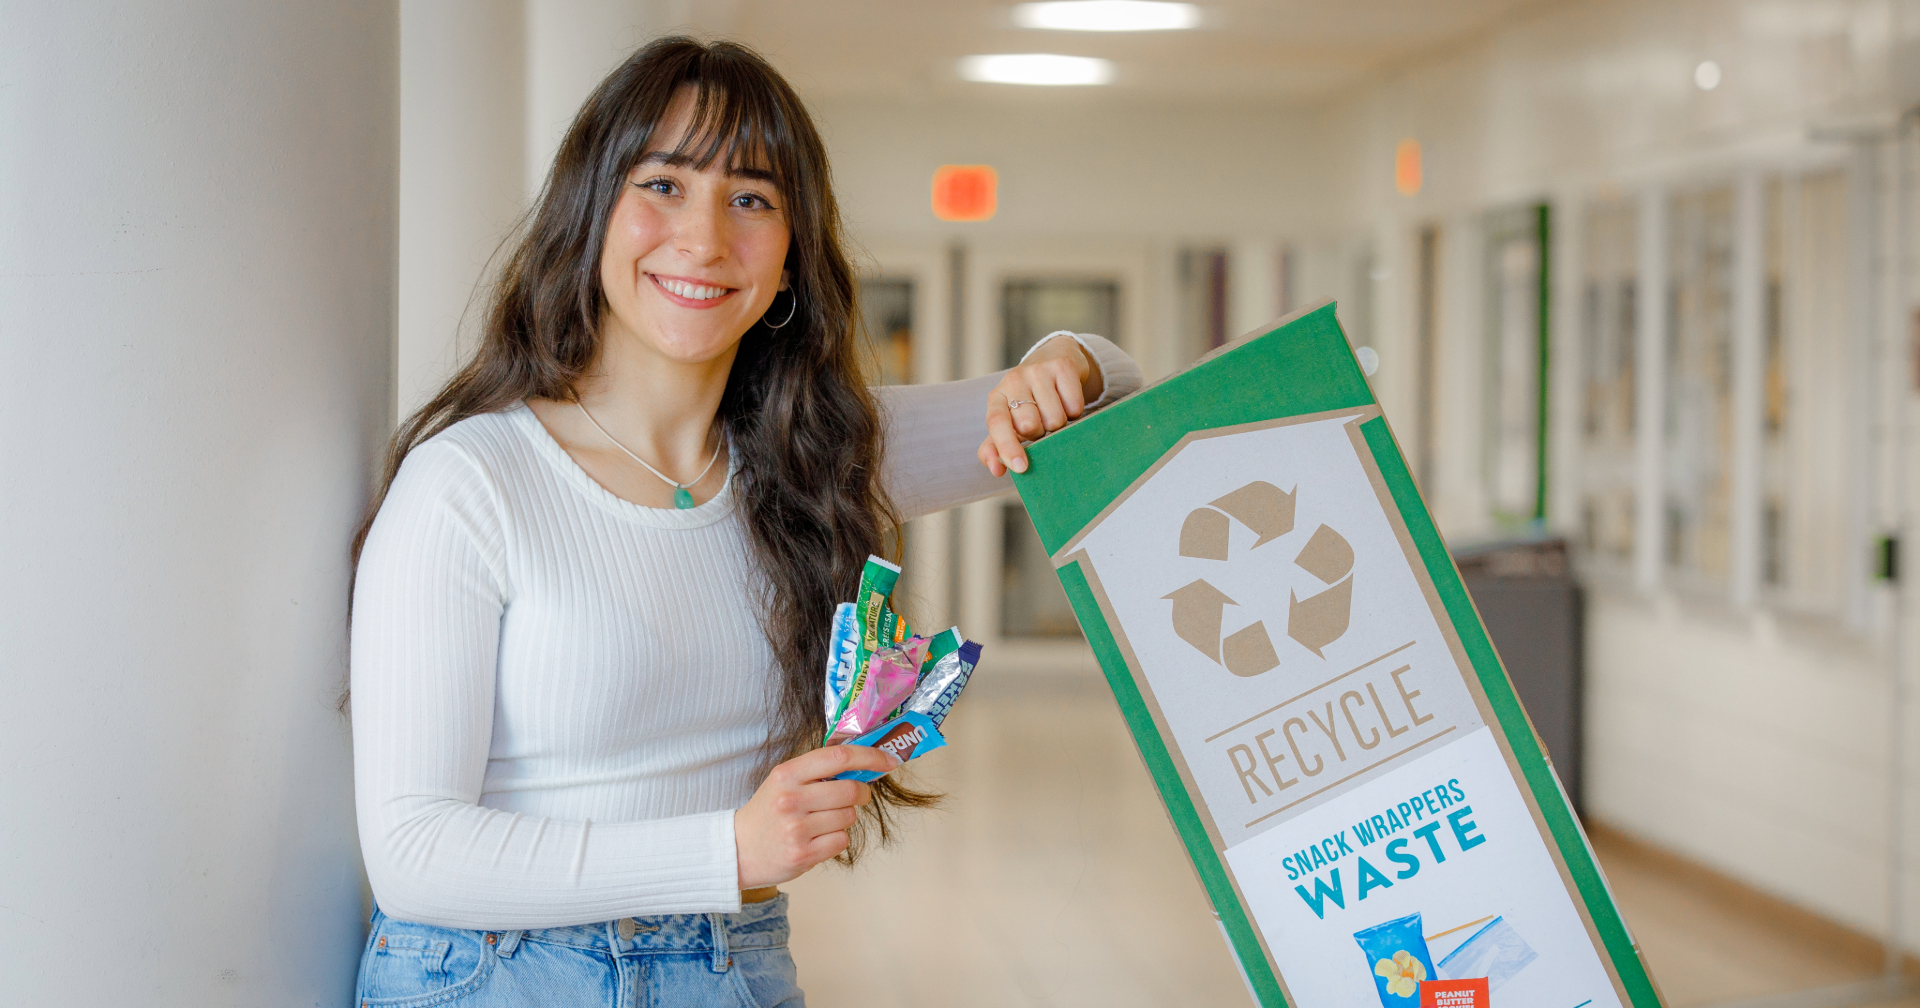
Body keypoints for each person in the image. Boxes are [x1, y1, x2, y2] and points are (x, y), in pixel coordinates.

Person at [349, 36, 1142, 1007]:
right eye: (665, 185)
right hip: (495, 975)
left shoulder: (811, 459)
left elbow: (1110, 401)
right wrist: (725, 848)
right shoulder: (471, 483)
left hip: (733, 966)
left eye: (753, 198)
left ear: (793, 257)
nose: (706, 237)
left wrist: (1066, 360)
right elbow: (414, 855)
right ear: (590, 211)